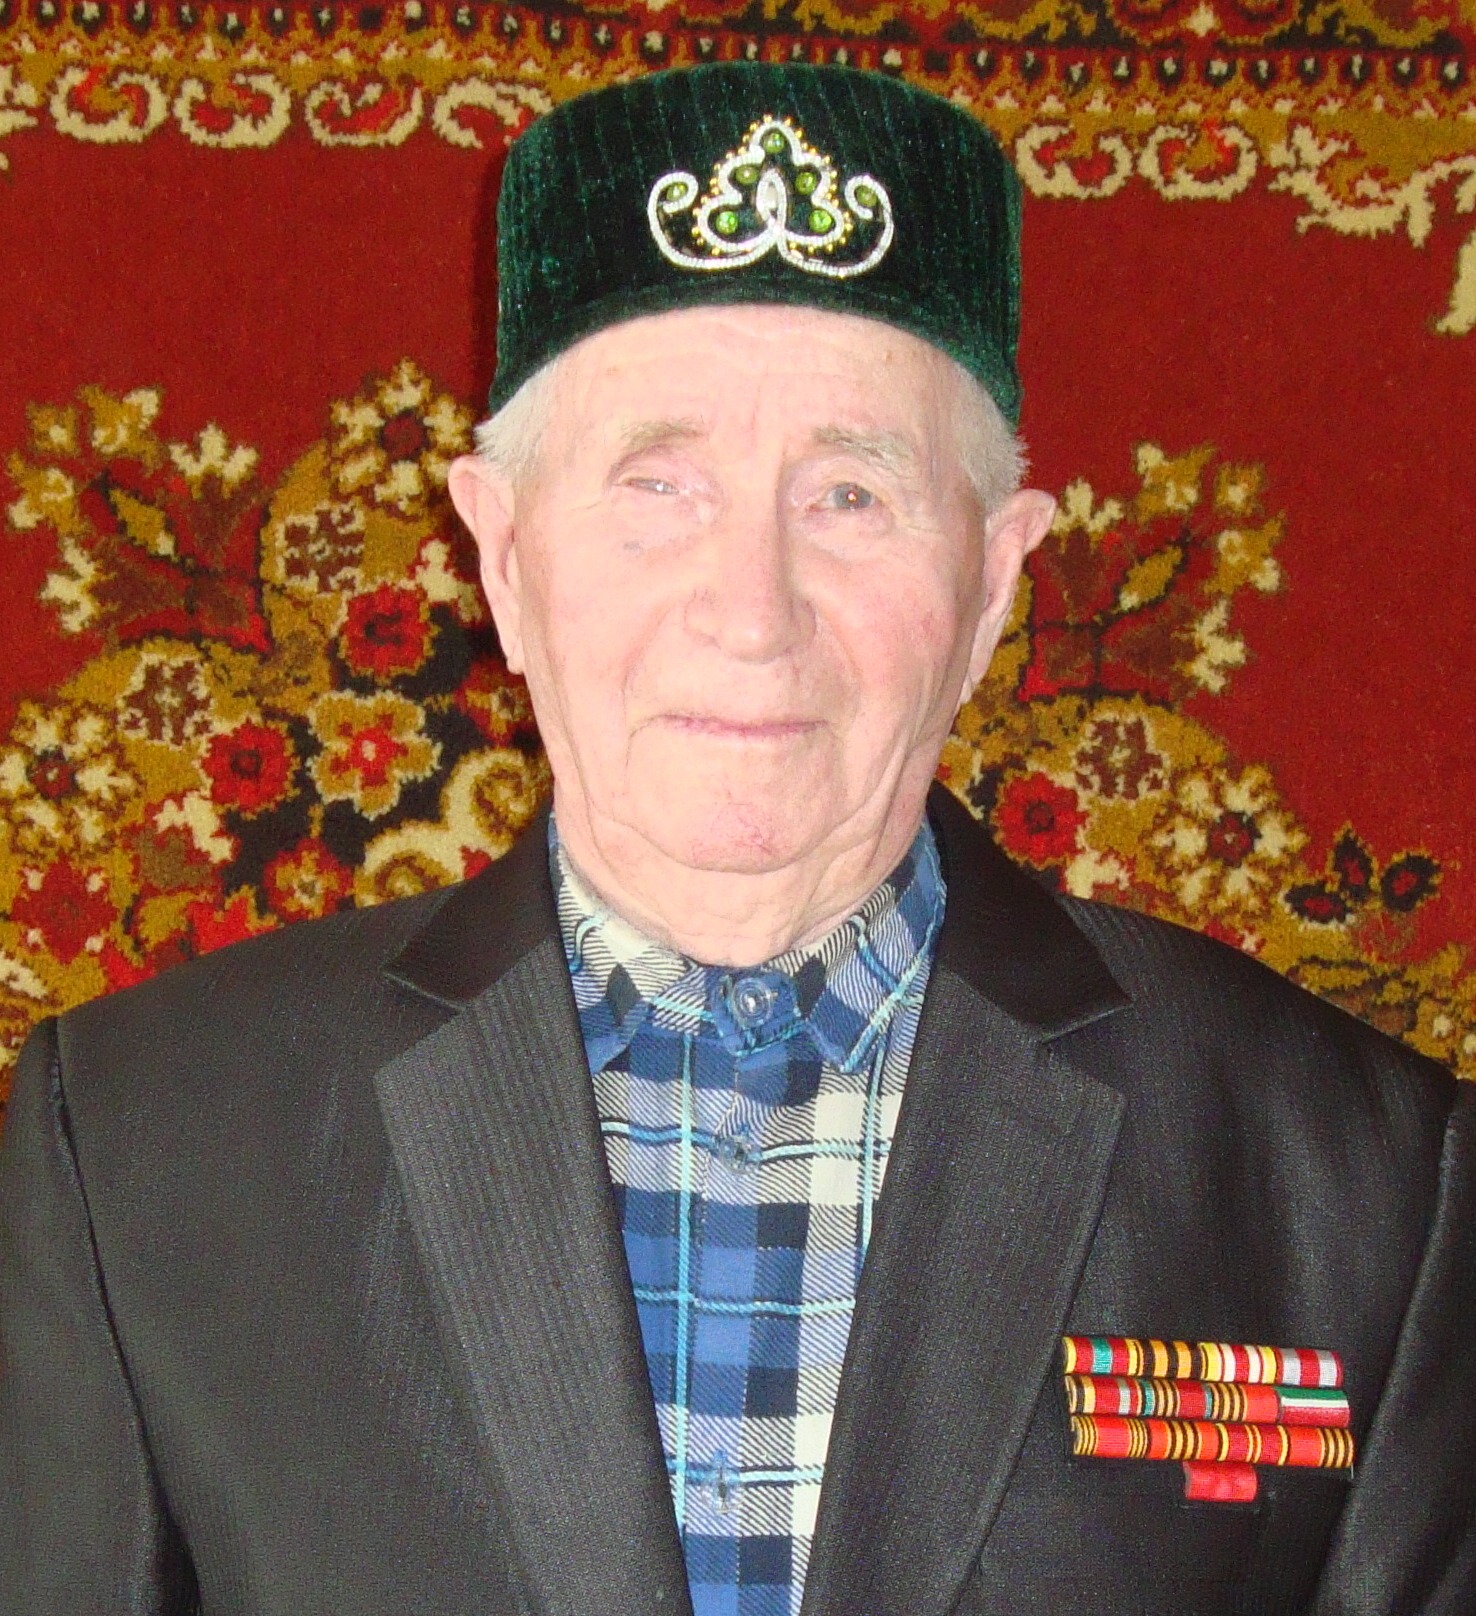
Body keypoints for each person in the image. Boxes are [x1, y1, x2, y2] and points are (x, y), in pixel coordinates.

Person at [1, 61, 1471, 1616]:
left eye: (851, 495)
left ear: (991, 586)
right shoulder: (142, 1142)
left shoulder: (1363, 1181)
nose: (752, 613)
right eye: (660, 485)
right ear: (503, 557)